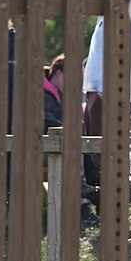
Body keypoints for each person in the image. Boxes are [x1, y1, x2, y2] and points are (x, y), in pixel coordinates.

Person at [81, 0, 131, 207]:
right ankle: (111, 204)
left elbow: (118, 57)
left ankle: (117, 205)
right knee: (99, 155)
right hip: (99, 91)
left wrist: (101, 94)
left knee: (107, 154)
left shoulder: (120, 15)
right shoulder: (107, 16)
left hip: (108, 93)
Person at [44, 54, 100, 226]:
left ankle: (90, 198)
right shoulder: (42, 92)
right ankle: (85, 205)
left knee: (85, 150)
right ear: (59, 73)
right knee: (79, 150)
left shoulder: (56, 94)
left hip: (55, 146)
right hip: (41, 149)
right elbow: (49, 120)